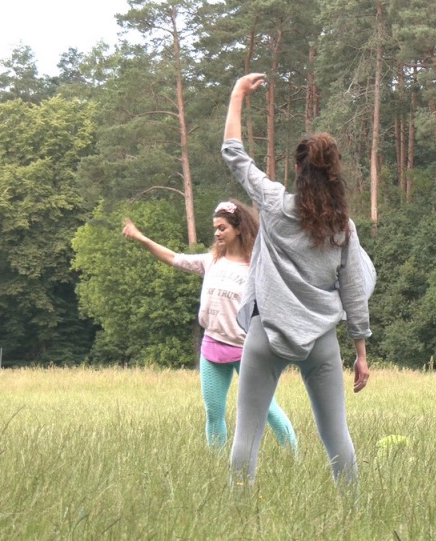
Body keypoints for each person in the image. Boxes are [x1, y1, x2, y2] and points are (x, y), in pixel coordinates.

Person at [222, 73, 372, 487]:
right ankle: (355, 511)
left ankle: (238, 513)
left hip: (265, 334)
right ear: (334, 173)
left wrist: (237, 94)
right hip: (320, 340)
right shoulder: (343, 227)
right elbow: (354, 291)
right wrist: (360, 351)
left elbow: (233, 154)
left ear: (299, 168)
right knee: (336, 435)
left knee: (246, 435)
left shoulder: (272, 203)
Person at [122, 202, 298, 452]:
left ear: (238, 229)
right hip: (212, 346)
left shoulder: (257, 267)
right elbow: (173, 258)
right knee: (214, 413)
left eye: (222, 227)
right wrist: (142, 239)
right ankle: (217, 464)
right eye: (215, 228)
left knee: (267, 409)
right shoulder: (211, 261)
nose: (216, 233)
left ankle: (294, 457)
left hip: (247, 349)